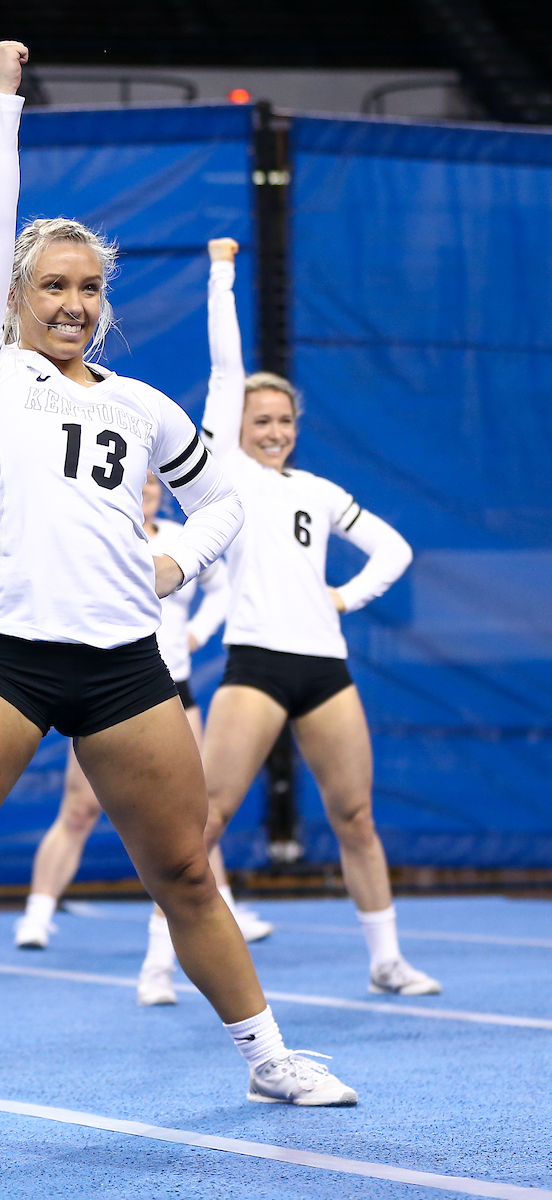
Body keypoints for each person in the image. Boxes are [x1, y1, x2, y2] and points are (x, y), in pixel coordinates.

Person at [0, 42, 357, 1133]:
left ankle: (266, 1056)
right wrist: (2, 101)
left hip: (126, 667)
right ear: (13, 296)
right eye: (53, 286)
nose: (74, 302)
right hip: (7, 657)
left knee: (185, 870)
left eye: (90, 288)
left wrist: (184, 555)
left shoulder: (140, 405)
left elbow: (237, 493)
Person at [193, 237, 439, 996]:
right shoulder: (222, 472)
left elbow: (393, 550)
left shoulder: (319, 490)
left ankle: (385, 958)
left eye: (282, 421)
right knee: (204, 820)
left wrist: (343, 596)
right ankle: (175, 949)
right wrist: (223, 273)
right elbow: (225, 366)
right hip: (256, 665)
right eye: (258, 419)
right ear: (235, 425)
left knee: (355, 815)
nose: (271, 430)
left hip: (323, 667)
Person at [12, 473, 275, 970]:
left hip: (172, 688)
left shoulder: (181, 538)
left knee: (194, 815)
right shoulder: (96, 534)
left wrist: (196, 633)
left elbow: (221, 589)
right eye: (141, 482)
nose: (148, 490)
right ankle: (38, 912)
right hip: (106, 689)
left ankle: (226, 907)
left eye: (155, 483)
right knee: (78, 810)